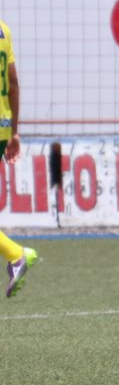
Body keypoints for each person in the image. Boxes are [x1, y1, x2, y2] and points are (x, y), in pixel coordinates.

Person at [0, 18, 37, 297]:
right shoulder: (4, 28)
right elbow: (13, 81)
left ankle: (16, 254)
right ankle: (15, 254)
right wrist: (14, 132)